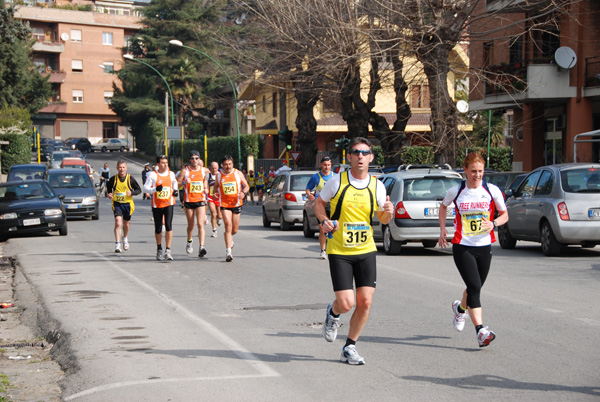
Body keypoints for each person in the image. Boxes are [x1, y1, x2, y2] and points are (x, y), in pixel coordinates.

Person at [315, 137, 394, 365]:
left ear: (371, 157)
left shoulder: (377, 185)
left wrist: (388, 211)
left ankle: (349, 347)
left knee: (366, 302)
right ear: (349, 157)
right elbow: (319, 203)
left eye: (365, 152)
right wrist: (324, 221)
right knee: (347, 303)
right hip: (339, 250)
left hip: (366, 249)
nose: (360, 156)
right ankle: (333, 312)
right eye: (356, 152)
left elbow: (383, 218)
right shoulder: (337, 182)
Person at [438, 152, 509, 348]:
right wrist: (443, 229)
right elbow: (443, 207)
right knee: (475, 286)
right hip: (462, 246)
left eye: (480, 171)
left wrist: (493, 222)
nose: (477, 175)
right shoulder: (456, 191)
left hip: (484, 246)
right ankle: (480, 331)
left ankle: (460, 308)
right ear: (465, 171)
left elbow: (505, 215)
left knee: (474, 288)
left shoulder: (491, 190)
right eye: (473, 171)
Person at [213, 155, 249, 262]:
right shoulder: (219, 175)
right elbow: (215, 186)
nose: (228, 166)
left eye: (230, 164)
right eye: (226, 164)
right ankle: (228, 252)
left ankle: (229, 237)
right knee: (228, 226)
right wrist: (215, 193)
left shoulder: (238, 173)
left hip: (236, 203)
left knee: (234, 230)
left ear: (232, 164)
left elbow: (246, 186)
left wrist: (243, 192)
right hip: (224, 204)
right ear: (222, 165)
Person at [143, 155, 179, 261]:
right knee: (158, 228)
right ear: (158, 164)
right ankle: (159, 248)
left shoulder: (171, 174)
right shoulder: (153, 175)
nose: (165, 164)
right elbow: (145, 188)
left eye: (166, 162)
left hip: (169, 203)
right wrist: (155, 189)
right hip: (157, 205)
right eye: (163, 162)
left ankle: (168, 250)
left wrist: (175, 190)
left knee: (168, 225)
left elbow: (174, 182)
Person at [177, 151, 210, 258]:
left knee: (201, 223)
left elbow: (205, 180)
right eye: (192, 158)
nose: (194, 160)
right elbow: (176, 184)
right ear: (189, 160)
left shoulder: (203, 170)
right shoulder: (185, 171)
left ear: (199, 159)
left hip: (200, 200)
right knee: (191, 225)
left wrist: (205, 188)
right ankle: (189, 241)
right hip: (189, 201)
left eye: (196, 158)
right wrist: (183, 183)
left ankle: (202, 247)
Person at [107, 161, 142, 253]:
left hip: (128, 204)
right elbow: (108, 187)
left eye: (123, 167)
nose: (121, 169)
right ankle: (117, 244)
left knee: (126, 224)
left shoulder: (130, 179)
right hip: (117, 203)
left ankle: (125, 237)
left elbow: (139, 190)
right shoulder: (113, 179)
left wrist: (132, 193)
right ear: (117, 168)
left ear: (126, 168)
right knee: (118, 222)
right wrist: (109, 194)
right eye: (120, 167)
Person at [305, 156, 335, 260]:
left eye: (329, 165)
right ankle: (323, 250)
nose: (327, 167)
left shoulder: (335, 176)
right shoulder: (315, 177)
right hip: (320, 206)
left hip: (333, 205)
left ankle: (333, 250)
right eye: (325, 165)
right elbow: (308, 189)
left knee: (334, 228)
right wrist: (309, 195)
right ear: (321, 165)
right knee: (323, 229)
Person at [206, 161, 223, 238]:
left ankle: (219, 219)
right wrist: (205, 189)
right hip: (211, 197)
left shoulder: (220, 175)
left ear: (218, 168)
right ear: (210, 168)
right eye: (212, 168)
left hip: (219, 198)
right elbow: (205, 184)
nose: (214, 169)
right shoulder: (207, 176)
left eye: (215, 168)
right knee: (213, 213)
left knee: (219, 215)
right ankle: (214, 230)